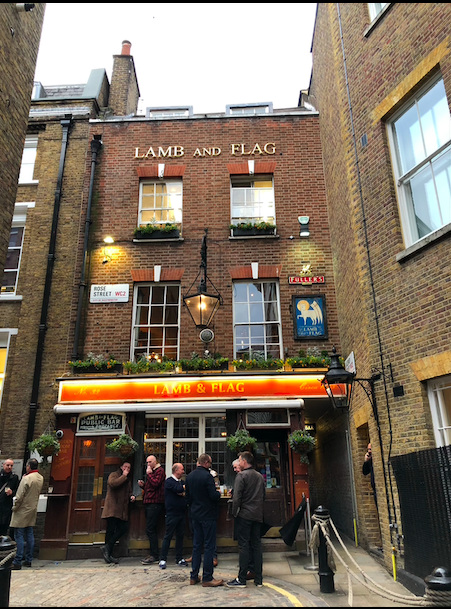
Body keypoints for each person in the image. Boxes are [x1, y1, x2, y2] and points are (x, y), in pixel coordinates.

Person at [227, 451, 265, 588]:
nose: (239, 462)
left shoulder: (241, 476)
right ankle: (258, 579)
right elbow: (263, 496)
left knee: (243, 546)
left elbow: (236, 498)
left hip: (244, 515)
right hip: (257, 515)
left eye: (239, 460)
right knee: (256, 546)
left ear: (244, 461)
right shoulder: (260, 476)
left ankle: (241, 579)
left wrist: (233, 513)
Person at [185, 453, 223, 587]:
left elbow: (187, 498)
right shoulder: (207, 476)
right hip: (207, 515)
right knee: (208, 546)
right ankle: (207, 577)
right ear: (206, 462)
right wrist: (218, 493)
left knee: (196, 546)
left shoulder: (189, 476)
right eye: (210, 463)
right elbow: (213, 496)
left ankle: (194, 576)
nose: (210, 466)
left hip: (195, 515)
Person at [10, 458, 44, 570]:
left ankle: (18, 560)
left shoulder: (27, 479)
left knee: (19, 535)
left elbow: (19, 496)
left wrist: (15, 507)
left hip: (22, 509)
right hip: (32, 509)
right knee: (29, 534)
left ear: (29, 466)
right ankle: (29, 559)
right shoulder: (40, 478)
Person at [101, 461, 136, 564]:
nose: (127, 469)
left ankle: (107, 548)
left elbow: (129, 491)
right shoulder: (114, 475)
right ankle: (108, 554)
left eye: (129, 468)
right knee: (110, 530)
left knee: (123, 528)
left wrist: (132, 496)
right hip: (112, 508)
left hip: (122, 510)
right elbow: (113, 484)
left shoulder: (127, 479)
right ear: (121, 467)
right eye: (125, 467)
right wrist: (124, 476)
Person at [159, 463, 189, 569]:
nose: (183, 471)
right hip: (172, 514)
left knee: (180, 537)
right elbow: (178, 489)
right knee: (168, 536)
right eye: (182, 469)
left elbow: (186, 493)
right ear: (176, 470)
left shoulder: (181, 482)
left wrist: (183, 490)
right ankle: (163, 559)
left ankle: (179, 558)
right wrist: (183, 489)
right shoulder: (169, 482)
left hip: (181, 513)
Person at [138, 454, 165, 565]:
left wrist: (149, 475)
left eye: (150, 462)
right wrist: (144, 485)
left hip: (155, 504)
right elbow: (151, 487)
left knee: (150, 529)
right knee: (150, 529)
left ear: (155, 462)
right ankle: (153, 554)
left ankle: (154, 555)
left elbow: (156, 484)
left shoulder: (160, 471)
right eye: (147, 462)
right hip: (149, 503)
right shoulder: (153, 472)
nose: (148, 464)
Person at [0, 458, 19, 538]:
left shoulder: (14, 478)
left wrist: (12, 493)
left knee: (4, 524)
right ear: (3, 465)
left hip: (7, 505)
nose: (9, 467)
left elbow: (18, 490)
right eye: (8, 465)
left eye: (11, 465)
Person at [362, 442, 377, 507]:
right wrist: (366, 461)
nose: (369, 451)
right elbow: (365, 472)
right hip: (375, 489)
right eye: (368, 449)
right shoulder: (370, 461)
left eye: (370, 449)